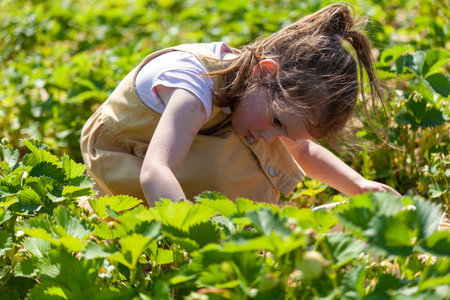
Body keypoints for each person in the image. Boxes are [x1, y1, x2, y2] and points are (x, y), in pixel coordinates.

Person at [80, 3, 400, 206]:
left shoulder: (260, 94)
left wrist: (358, 185)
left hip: (179, 145)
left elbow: (300, 150)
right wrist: (186, 236)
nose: (274, 136)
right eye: (278, 123)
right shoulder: (192, 90)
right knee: (229, 172)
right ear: (265, 72)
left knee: (263, 151)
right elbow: (155, 172)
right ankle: (110, 213)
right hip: (124, 156)